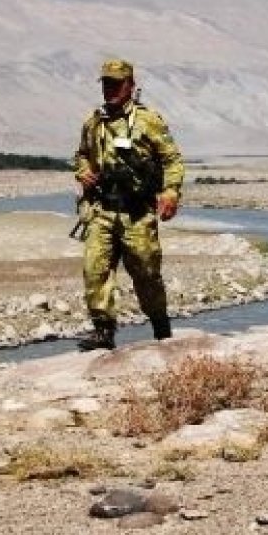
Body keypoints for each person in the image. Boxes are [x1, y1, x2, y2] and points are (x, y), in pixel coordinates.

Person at [73, 58, 185, 351]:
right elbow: (82, 154)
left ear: (130, 86)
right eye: (106, 84)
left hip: (137, 213)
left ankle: (161, 328)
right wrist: (82, 172)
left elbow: (171, 159)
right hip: (102, 210)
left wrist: (171, 193)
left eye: (116, 84)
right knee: (94, 270)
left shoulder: (148, 121)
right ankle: (103, 331)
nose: (110, 89)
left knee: (147, 274)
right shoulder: (94, 122)